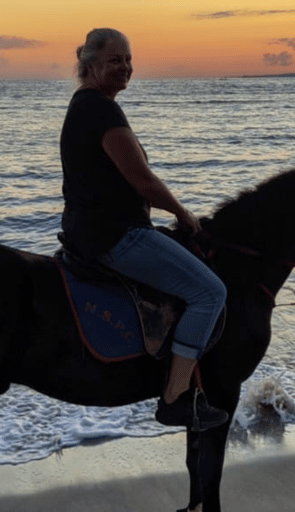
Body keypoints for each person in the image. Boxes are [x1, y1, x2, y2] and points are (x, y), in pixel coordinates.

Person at [60, 28, 229, 431]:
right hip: (116, 235)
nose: (125, 68)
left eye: (129, 59)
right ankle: (174, 400)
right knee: (210, 292)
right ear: (90, 64)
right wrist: (184, 215)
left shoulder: (84, 106)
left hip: (88, 231)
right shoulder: (102, 111)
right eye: (115, 60)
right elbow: (144, 182)